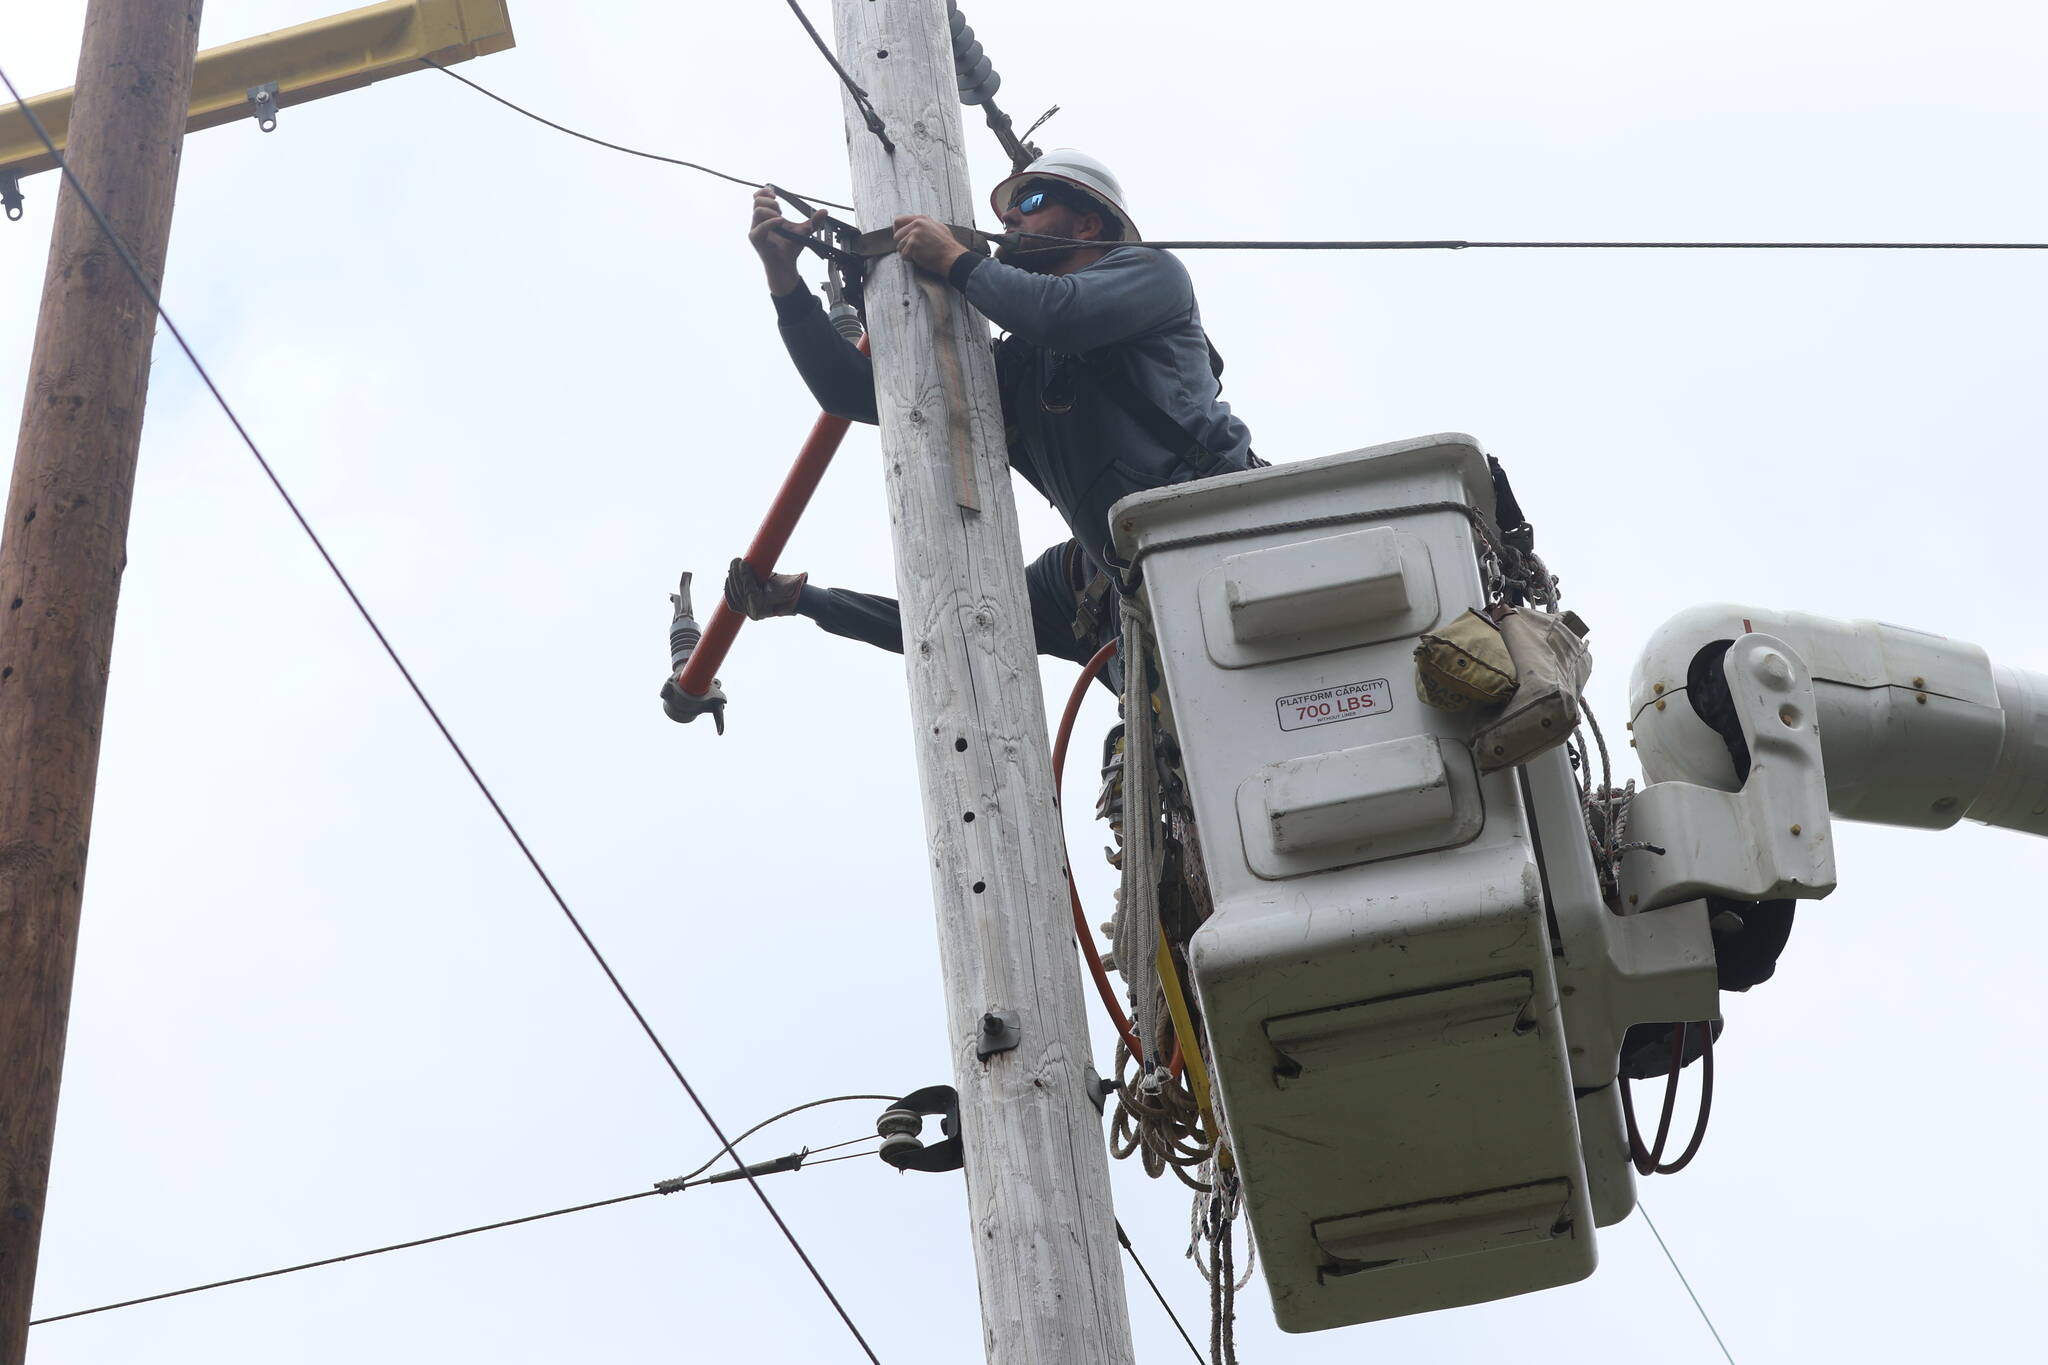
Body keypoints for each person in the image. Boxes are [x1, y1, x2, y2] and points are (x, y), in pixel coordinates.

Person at [731, 150, 1256, 681]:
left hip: (1231, 522)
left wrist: (955, 261)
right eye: (1006, 212)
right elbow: (849, 393)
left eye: (1030, 202)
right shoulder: (1024, 377)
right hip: (1166, 590)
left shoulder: (1152, 273)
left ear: (1089, 222)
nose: (1009, 219)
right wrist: (785, 283)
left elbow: (1058, 313)